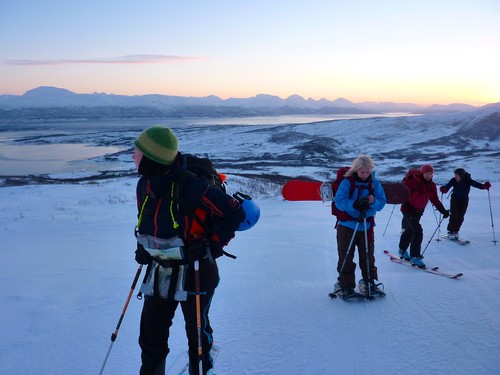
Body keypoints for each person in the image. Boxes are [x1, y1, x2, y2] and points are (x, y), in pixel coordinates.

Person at [132, 126, 246, 375]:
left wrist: (212, 245)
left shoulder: (191, 186)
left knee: (196, 334)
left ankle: (202, 369)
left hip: (196, 269)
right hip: (160, 270)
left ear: (152, 157)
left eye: (137, 151)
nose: (133, 156)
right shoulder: (145, 186)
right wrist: (142, 248)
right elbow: (147, 222)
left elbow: (234, 211)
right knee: (151, 336)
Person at [333, 155, 387, 298]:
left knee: (368, 256)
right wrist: (354, 204)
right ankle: (346, 285)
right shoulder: (347, 182)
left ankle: (369, 282)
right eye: (362, 172)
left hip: (366, 224)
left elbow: (382, 202)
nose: (365, 175)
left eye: (368, 172)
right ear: (356, 170)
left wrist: (373, 202)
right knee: (346, 255)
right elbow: (339, 202)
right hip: (347, 225)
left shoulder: (374, 183)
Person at [398, 164, 449, 268]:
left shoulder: (431, 185)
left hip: (418, 211)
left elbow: (434, 199)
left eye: (430, 174)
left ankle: (402, 250)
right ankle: (415, 256)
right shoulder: (413, 182)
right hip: (408, 209)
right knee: (417, 230)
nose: (428, 176)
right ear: (422, 173)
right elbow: (403, 192)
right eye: (426, 173)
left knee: (410, 230)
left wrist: (443, 211)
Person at [440, 168, 492, 239]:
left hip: (464, 200)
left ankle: (456, 231)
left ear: (461, 175)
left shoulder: (468, 180)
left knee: (461, 215)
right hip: (455, 199)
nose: (455, 176)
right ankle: (450, 231)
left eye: (457, 175)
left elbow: (477, 185)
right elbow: (447, 186)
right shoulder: (453, 180)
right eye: (455, 175)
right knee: (454, 214)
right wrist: (444, 189)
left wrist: (484, 186)